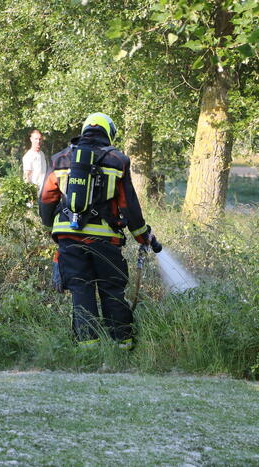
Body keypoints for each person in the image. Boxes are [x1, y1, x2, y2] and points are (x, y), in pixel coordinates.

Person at [38, 113, 156, 350]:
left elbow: (46, 199)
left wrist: (52, 224)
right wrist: (143, 236)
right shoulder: (118, 160)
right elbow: (128, 204)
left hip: (69, 237)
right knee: (111, 289)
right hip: (105, 239)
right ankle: (122, 345)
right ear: (109, 133)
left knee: (81, 289)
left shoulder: (60, 159)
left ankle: (87, 348)